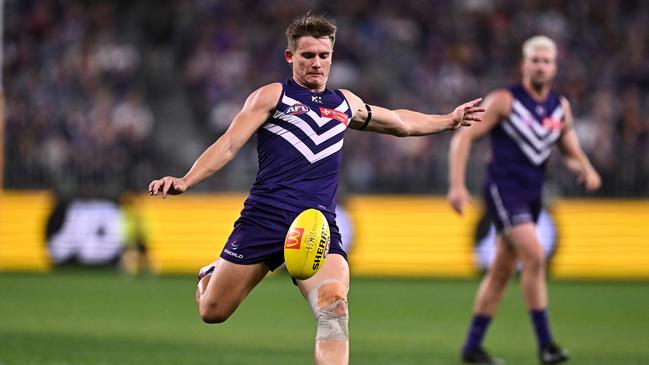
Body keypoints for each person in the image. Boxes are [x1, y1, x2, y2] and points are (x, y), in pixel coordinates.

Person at [149, 14, 483, 365]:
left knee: (334, 307)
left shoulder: (344, 103)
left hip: (316, 226)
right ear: (290, 57)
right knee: (213, 311)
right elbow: (229, 144)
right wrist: (186, 180)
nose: (317, 63)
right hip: (265, 219)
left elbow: (400, 122)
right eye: (308, 55)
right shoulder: (272, 96)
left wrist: (448, 120)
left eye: (324, 55)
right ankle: (211, 273)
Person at [447, 35, 601, 365]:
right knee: (534, 254)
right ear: (524, 64)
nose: (541, 66)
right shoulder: (505, 100)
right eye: (535, 60)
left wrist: (584, 169)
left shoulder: (560, 107)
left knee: (502, 271)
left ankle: (472, 348)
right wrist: (457, 186)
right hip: (504, 191)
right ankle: (546, 344)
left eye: (547, 61)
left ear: (555, 67)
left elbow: (570, 150)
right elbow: (464, 136)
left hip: (532, 196)